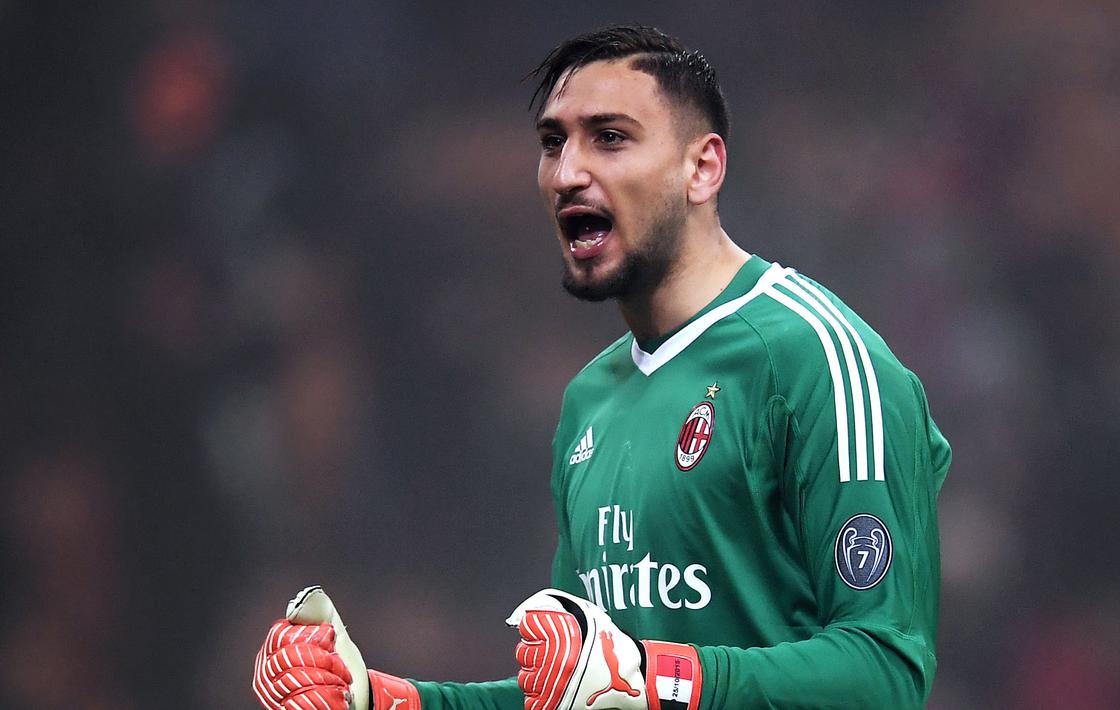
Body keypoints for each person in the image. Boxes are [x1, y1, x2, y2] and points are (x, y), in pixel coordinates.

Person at [253, 25, 950, 710]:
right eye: (553, 143)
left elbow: (885, 670)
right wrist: (386, 700)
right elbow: (578, 695)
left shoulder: (818, 359)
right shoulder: (590, 399)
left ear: (701, 168)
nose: (566, 173)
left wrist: (652, 678)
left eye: (609, 138)